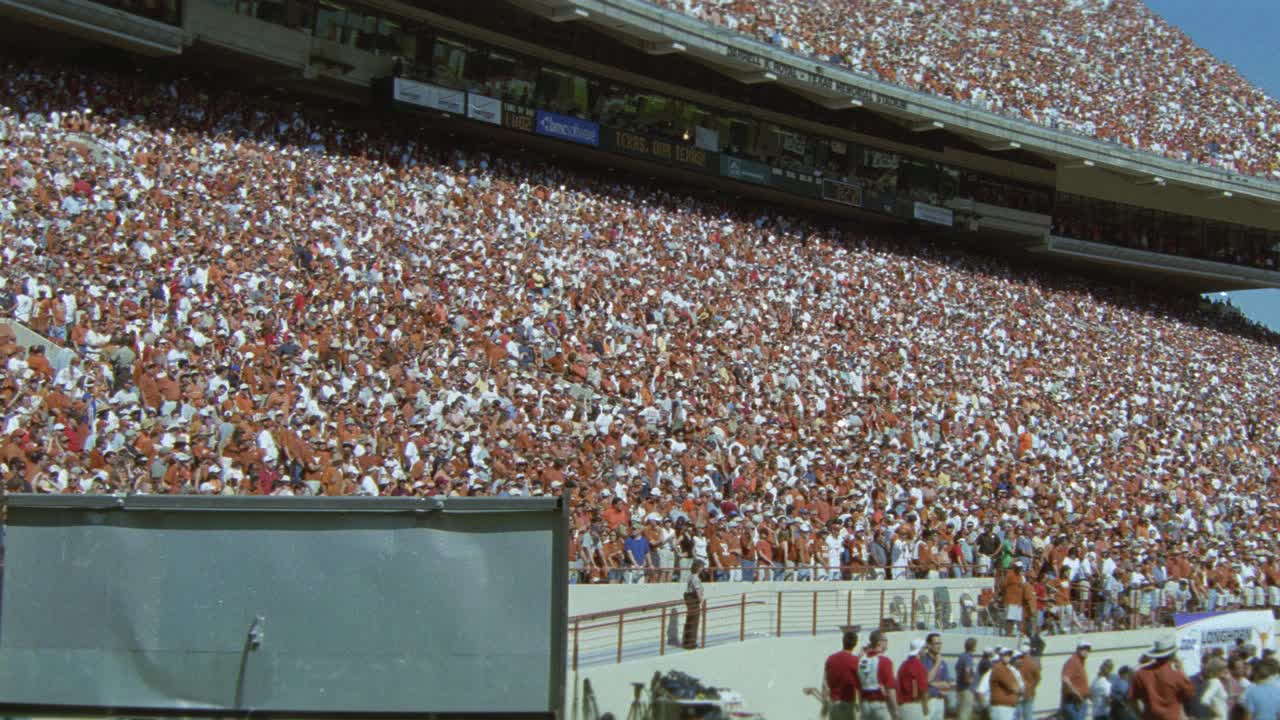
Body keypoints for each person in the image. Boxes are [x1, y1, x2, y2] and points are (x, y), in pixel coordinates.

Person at [1129, 636, 1194, 720]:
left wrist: (1140, 715)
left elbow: (1132, 700)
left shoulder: (1140, 674)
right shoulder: (1175, 674)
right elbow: (1189, 693)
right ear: (1173, 655)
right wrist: (1181, 670)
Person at [858, 629, 900, 720]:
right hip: (879, 704)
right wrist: (896, 710)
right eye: (885, 640)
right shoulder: (885, 661)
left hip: (865, 705)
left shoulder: (862, 661)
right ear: (879, 643)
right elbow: (890, 688)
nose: (887, 643)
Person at [825, 629, 860, 720]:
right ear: (855, 644)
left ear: (843, 641)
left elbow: (825, 683)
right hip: (848, 703)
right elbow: (859, 683)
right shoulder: (855, 661)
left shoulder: (831, 659)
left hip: (834, 703)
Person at [922, 632, 955, 720]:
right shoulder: (924, 661)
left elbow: (947, 684)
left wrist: (932, 683)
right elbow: (927, 679)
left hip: (940, 700)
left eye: (940, 643)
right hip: (928, 700)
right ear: (929, 645)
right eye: (936, 643)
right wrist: (937, 664)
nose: (939, 646)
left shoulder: (943, 663)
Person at [900, 638, 932, 720]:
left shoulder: (903, 665)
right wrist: (926, 709)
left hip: (902, 707)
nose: (926, 651)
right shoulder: (919, 666)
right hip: (914, 706)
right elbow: (923, 690)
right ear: (919, 650)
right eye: (924, 648)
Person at [990, 647, 1024, 720]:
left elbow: (1018, 685)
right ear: (1000, 656)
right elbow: (1013, 687)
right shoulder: (999, 668)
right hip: (1001, 707)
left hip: (1007, 707)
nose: (1008, 657)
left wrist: (1019, 689)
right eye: (1005, 655)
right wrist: (1019, 690)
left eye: (1009, 655)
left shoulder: (1008, 669)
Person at [1062, 641, 1093, 720]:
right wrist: (1076, 693)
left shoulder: (1080, 662)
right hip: (1073, 702)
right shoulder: (1073, 661)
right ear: (1078, 649)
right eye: (1084, 649)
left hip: (1080, 701)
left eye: (1088, 649)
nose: (1086, 651)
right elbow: (1065, 679)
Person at [682, 558, 705, 650]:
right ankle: (691, 643)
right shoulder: (695, 578)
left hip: (690, 599)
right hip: (693, 600)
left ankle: (687, 641)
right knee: (693, 621)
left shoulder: (691, 576)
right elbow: (698, 590)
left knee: (690, 620)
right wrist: (701, 601)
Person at [1016, 641, 1042, 720]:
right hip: (1029, 692)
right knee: (1028, 716)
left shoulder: (1017, 663)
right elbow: (1038, 678)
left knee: (1017, 716)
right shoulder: (1033, 663)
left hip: (1019, 692)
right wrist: (1032, 687)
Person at [956, 637, 979, 720]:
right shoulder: (968, 657)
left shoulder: (962, 656)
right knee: (965, 713)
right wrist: (969, 680)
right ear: (973, 646)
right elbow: (967, 670)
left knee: (961, 711)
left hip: (960, 688)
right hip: (967, 689)